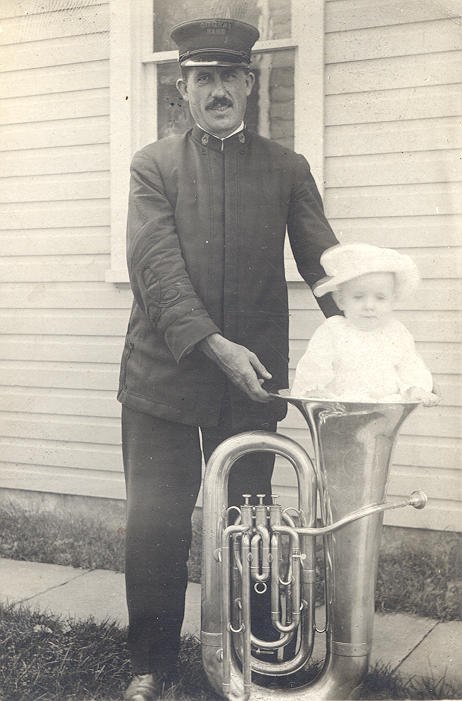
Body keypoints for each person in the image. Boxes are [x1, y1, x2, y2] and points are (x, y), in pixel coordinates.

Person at [118, 17, 340, 701]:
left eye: (228, 77)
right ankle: (154, 663)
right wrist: (216, 345)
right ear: (181, 90)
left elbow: (326, 267)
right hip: (162, 375)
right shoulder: (152, 165)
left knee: (251, 520)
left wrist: (368, 331)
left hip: (250, 384)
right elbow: (157, 274)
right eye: (202, 78)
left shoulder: (287, 169)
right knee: (156, 521)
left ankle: (257, 654)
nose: (217, 90)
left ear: (250, 82)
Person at [291, 242, 440, 406]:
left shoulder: (396, 332)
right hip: (342, 406)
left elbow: (410, 365)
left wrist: (416, 388)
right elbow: (315, 364)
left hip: (387, 407)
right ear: (341, 301)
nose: (369, 306)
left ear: (393, 301)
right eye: (358, 297)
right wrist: (314, 390)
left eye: (380, 298)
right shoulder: (333, 330)